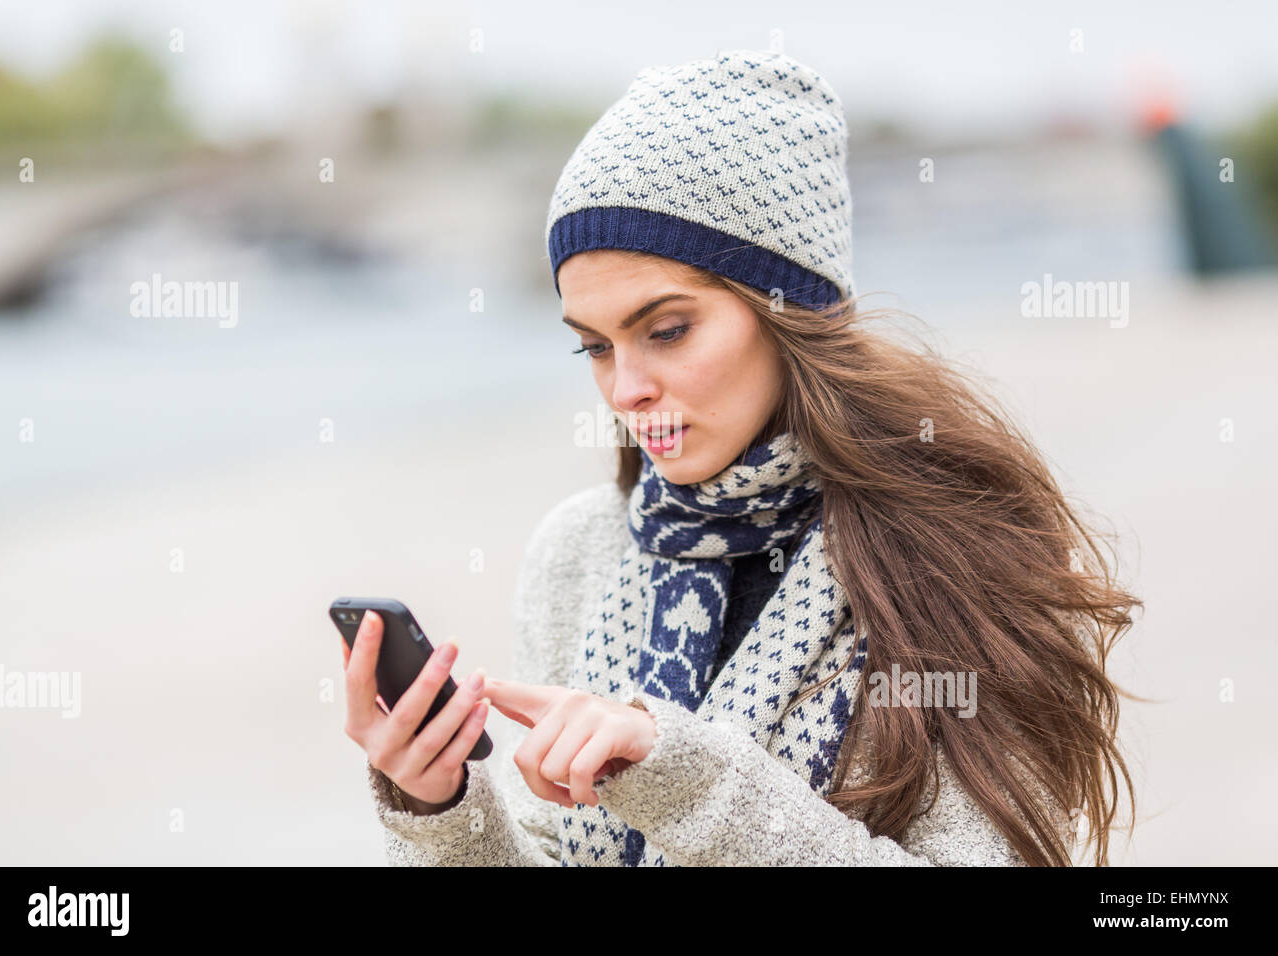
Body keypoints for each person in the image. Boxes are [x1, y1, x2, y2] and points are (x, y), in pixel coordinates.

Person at [341, 49, 1140, 867]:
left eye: (666, 331)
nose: (626, 390)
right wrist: (437, 806)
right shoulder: (579, 554)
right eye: (593, 347)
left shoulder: (961, 554)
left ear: (791, 310)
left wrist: (681, 777)